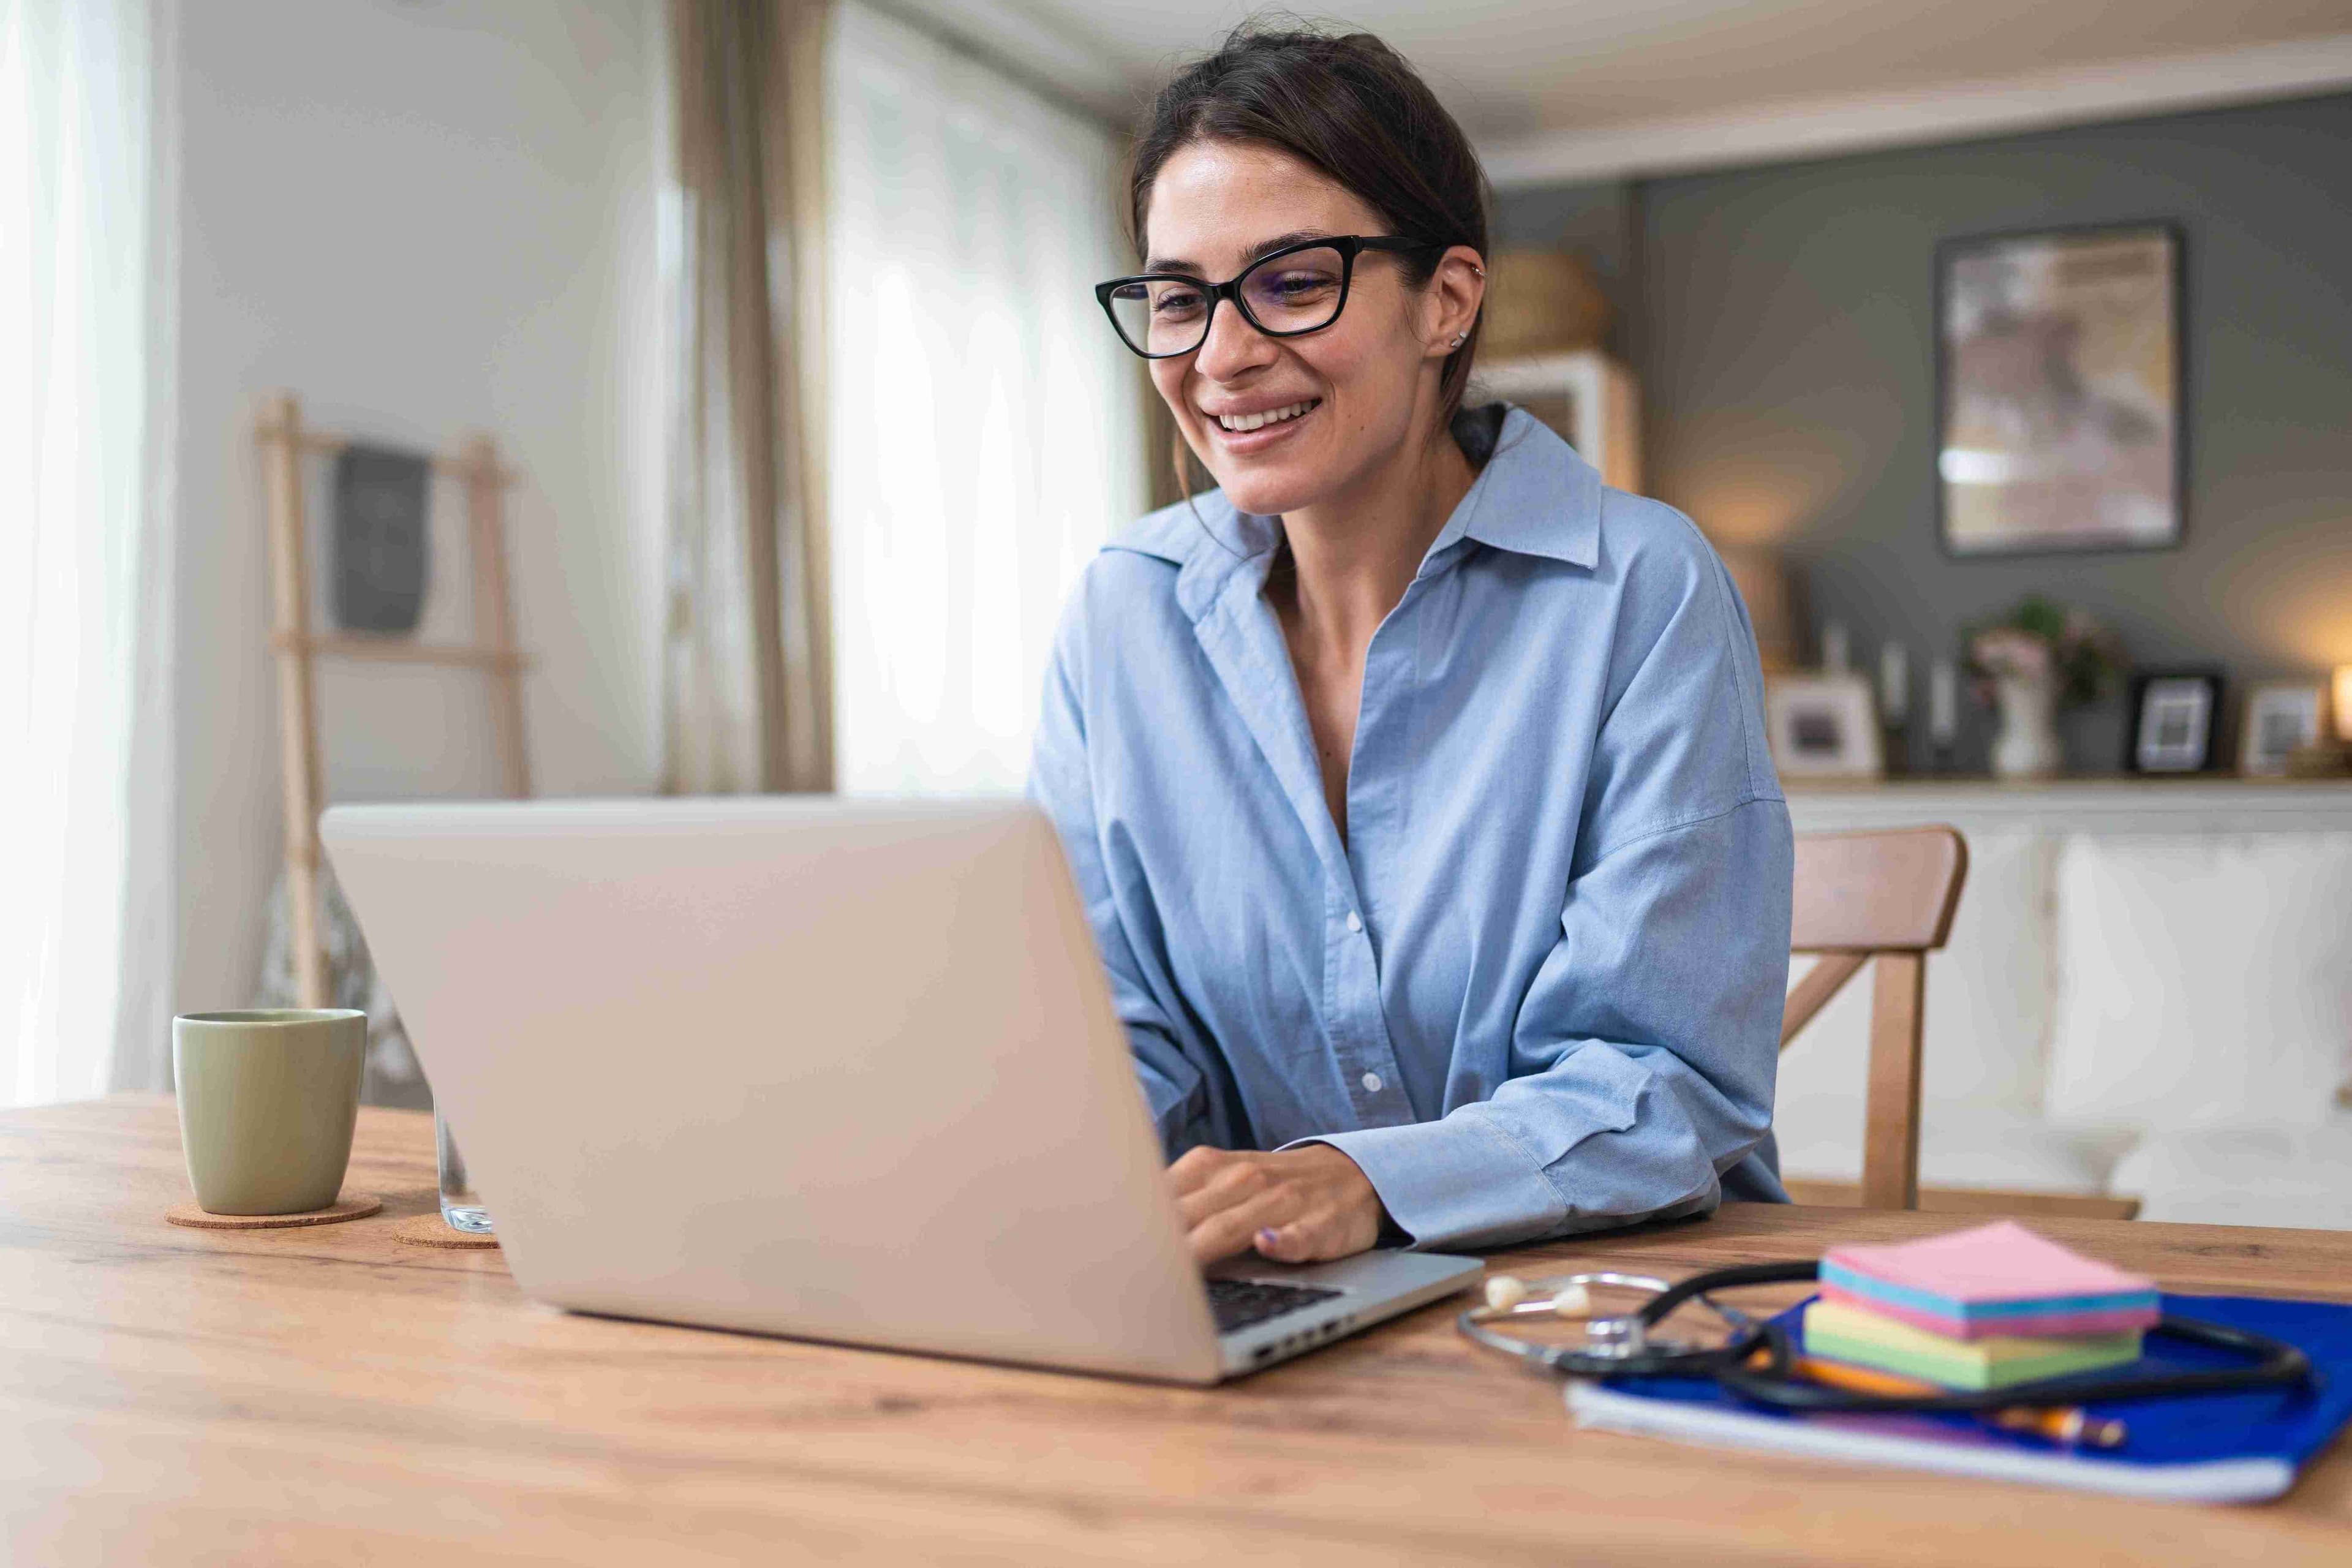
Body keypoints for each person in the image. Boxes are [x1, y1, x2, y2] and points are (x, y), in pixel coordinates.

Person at [1027, 25, 1792, 1268]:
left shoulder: (1639, 589)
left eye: (1292, 280)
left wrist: (1366, 1179)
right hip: (1270, 1302)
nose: (1221, 354)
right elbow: (1112, 1036)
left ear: (1446, 301)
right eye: (1180, 298)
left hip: (1602, 1301)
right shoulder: (1124, 614)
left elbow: (1670, 1081)